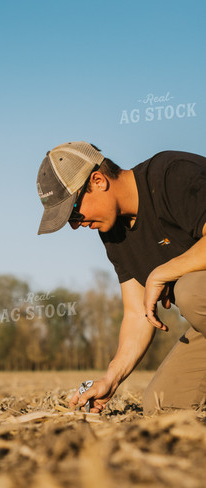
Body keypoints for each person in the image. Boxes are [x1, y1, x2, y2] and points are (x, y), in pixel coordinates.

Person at [36, 141, 206, 414]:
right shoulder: (114, 234)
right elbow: (137, 313)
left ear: (98, 181)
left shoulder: (171, 174)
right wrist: (111, 378)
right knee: (163, 404)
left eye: (74, 213)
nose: (77, 225)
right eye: (70, 221)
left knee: (191, 292)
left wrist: (163, 272)